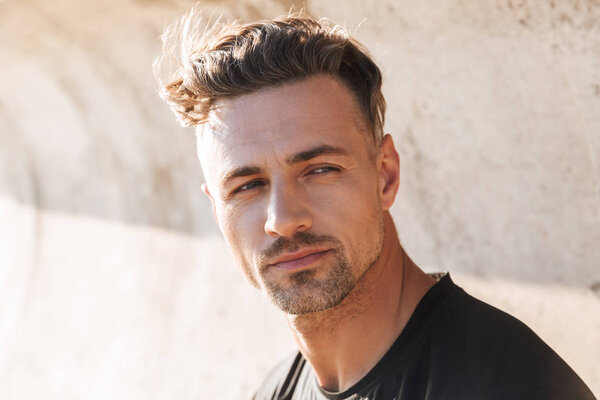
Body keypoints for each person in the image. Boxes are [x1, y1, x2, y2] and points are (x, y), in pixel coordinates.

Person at [154, 10, 596, 400]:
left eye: (320, 170)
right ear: (217, 210)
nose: (284, 220)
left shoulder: (510, 386)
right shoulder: (274, 391)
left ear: (385, 175)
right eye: (247, 186)